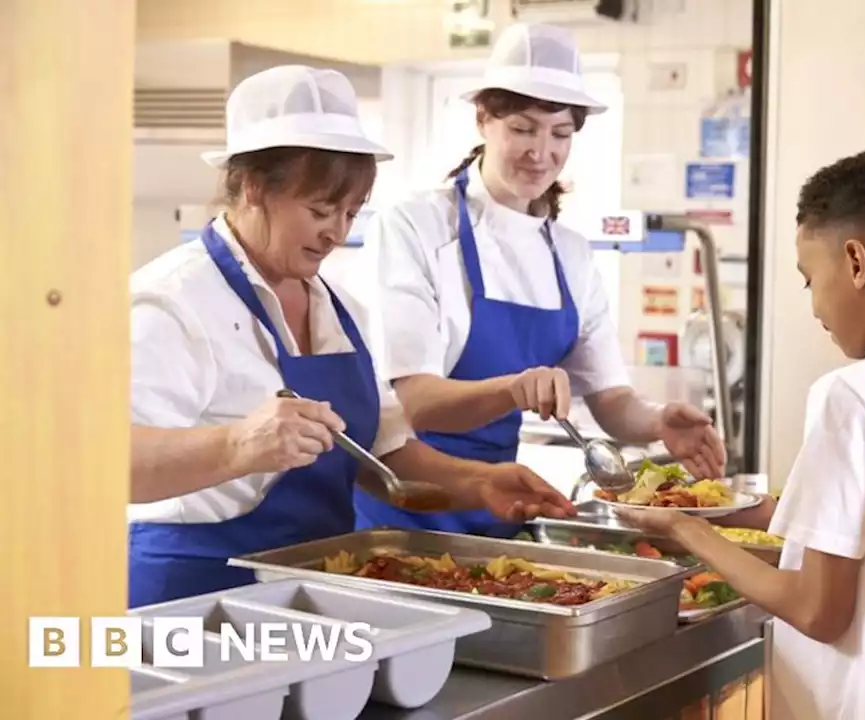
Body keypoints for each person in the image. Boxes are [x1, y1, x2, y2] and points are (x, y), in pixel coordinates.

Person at [128, 65, 573, 609]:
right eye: (319, 210)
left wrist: (479, 483)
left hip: (310, 594)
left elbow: (383, 455)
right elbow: (107, 464)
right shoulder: (173, 301)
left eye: (350, 213)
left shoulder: (340, 307)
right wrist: (238, 444)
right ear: (251, 188)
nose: (336, 233)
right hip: (192, 596)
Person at [619, 148, 865, 720]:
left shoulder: (853, 393)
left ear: (856, 263)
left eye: (810, 279)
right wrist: (729, 512)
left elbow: (819, 609)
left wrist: (687, 529)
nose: (815, 306)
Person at [358, 23, 725, 537]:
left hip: (503, 509)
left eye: (560, 133)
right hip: (409, 510)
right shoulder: (415, 226)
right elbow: (419, 404)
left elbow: (612, 401)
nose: (541, 152)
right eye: (523, 128)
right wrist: (514, 388)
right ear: (483, 118)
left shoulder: (570, 254)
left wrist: (658, 420)